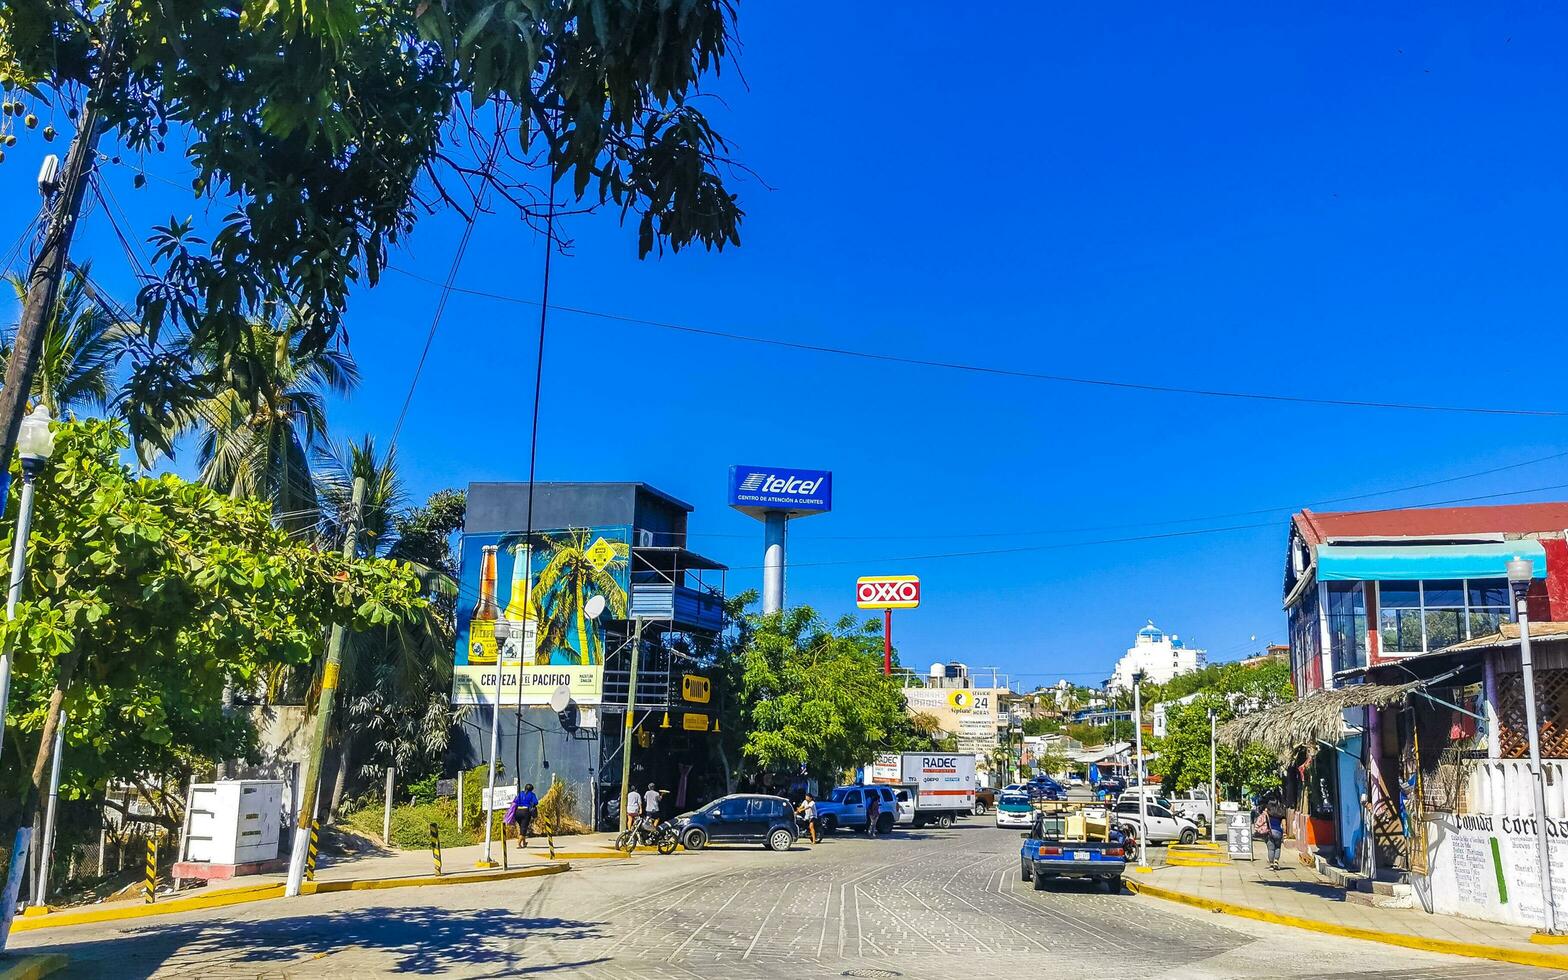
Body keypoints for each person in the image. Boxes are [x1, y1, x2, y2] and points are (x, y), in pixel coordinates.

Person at [1258, 789, 1286, 869]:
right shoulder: (1280, 811)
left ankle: (1271, 864)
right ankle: (1276, 862)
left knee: (1271, 849)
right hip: (1278, 832)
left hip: (1269, 831)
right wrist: (1284, 832)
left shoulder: (1267, 812)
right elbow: (1284, 824)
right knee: (1277, 847)